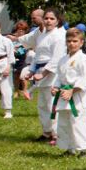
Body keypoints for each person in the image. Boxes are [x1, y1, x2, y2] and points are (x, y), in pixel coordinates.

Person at [24, 9, 67, 143]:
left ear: (57, 21)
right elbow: (37, 56)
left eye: (52, 19)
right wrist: (31, 70)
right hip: (40, 72)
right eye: (46, 18)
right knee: (42, 105)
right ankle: (46, 132)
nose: (48, 21)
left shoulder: (59, 36)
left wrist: (43, 73)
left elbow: (57, 59)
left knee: (52, 106)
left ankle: (56, 135)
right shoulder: (42, 35)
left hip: (52, 75)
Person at [50, 28, 86, 156]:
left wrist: (73, 91)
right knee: (64, 123)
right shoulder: (63, 59)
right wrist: (55, 87)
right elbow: (59, 76)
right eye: (69, 41)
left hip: (77, 96)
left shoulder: (83, 59)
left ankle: (83, 150)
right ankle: (69, 148)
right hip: (63, 95)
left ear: (81, 43)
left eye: (75, 41)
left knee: (78, 123)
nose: (71, 44)